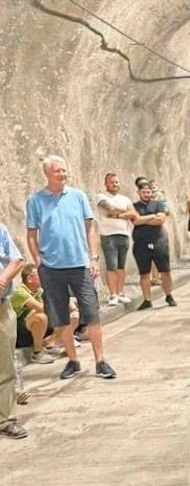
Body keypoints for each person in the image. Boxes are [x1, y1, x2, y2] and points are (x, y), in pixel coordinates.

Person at [25, 155, 116, 381]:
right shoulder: (36, 201)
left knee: (91, 313)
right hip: (51, 268)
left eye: (64, 170)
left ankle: (100, 361)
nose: (63, 174)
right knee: (61, 317)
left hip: (79, 265)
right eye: (58, 171)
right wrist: (38, 260)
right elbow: (31, 235)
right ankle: (73, 361)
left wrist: (93, 258)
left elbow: (90, 230)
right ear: (47, 173)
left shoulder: (78, 196)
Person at [131, 182, 176, 310]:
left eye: (148, 192)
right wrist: (151, 217)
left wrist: (142, 219)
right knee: (144, 273)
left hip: (159, 241)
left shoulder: (159, 204)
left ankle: (169, 295)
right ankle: (147, 299)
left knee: (165, 271)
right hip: (141, 243)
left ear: (152, 193)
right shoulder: (133, 206)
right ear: (138, 193)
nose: (146, 194)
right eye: (143, 192)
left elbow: (160, 220)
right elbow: (135, 220)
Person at [0, 223, 26, 438]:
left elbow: (16, 260)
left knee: (5, 367)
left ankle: (5, 420)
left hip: (1, 307)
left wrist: (2, 279)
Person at [95, 172, 136, 306]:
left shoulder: (125, 199)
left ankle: (120, 292)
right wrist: (124, 212)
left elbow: (133, 214)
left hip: (123, 234)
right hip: (108, 235)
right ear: (106, 183)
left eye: (116, 182)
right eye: (112, 182)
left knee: (121, 266)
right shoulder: (101, 196)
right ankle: (113, 294)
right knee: (111, 265)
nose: (115, 184)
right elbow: (109, 209)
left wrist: (117, 215)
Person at [10, 263, 63, 362]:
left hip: (31, 327)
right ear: (30, 279)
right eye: (39, 275)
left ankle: (51, 343)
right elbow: (42, 308)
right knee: (41, 317)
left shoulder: (38, 291)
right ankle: (38, 353)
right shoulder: (20, 292)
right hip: (18, 332)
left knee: (63, 314)